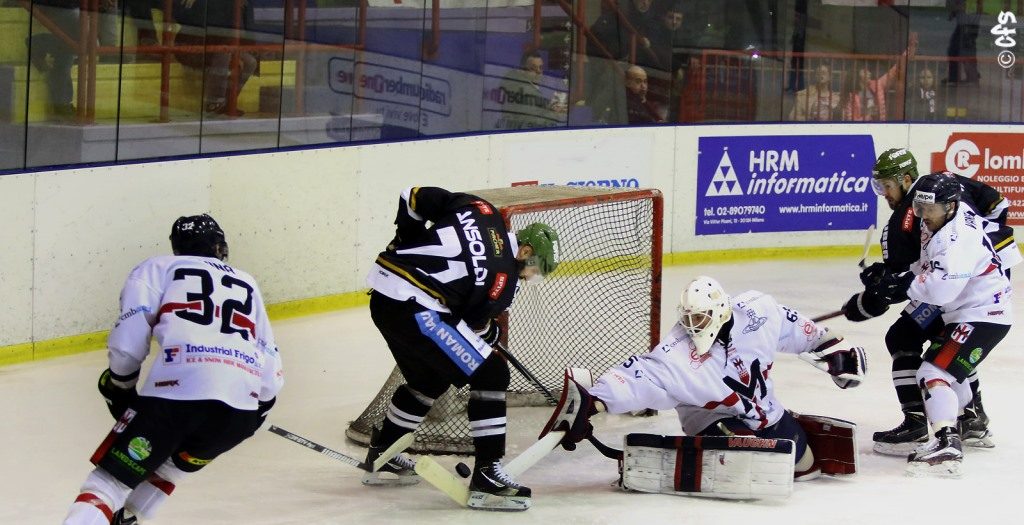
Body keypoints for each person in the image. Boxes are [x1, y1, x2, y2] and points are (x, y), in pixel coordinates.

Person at [62, 214, 284, 524]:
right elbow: (271, 370)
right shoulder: (246, 281)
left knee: (108, 484)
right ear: (220, 246)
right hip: (238, 413)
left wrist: (121, 386)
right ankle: (129, 519)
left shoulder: (157, 268)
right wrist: (255, 413)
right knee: (168, 470)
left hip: (174, 400)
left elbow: (128, 343)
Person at [542, 276, 867, 481]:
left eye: (699, 318)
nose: (693, 326)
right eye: (687, 318)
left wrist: (833, 349)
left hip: (766, 413)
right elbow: (637, 377)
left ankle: (782, 427)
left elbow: (802, 332)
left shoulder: (759, 311)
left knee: (804, 467)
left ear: (721, 312)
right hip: (714, 419)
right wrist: (592, 403)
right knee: (750, 454)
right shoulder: (675, 354)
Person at [363, 187, 559, 510]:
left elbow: (412, 197)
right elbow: (473, 328)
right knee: (493, 373)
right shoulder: (505, 280)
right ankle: (487, 473)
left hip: (384, 296)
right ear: (524, 251)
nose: (532, 276)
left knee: (430, 379)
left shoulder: (483, 210)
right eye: (536, 268)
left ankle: (385, 450)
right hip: (417, 308)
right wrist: (491, 333)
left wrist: (406, 241)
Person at [842, 148, 1014, 456]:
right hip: (975, 280)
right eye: (877, 187)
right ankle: (969, 418)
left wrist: (872, 299)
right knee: (923, 340)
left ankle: (921, 421)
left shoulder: (926, 228)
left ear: (906, 179)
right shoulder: (945, 189)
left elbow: (923, 287)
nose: (883, 194)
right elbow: (997, 204)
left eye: (886, 186)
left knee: (922, 344)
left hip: (968, 290)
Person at [173, 0, 258, 116]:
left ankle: (229, 102)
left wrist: (240, 49)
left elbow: (244, 33)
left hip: (221, 45)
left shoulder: (240, 5)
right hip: (192, 45)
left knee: (250, 62)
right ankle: (214, 102)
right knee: (224, 52)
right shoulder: (216, 4)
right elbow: (184, 19)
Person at [840, 32, 918, 121]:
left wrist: (910, 48)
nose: (869, 73)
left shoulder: (877, 85)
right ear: (857, 75)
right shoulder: (851, 97)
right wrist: (868, 117)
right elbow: (850, 122)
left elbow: (895, 70)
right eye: (864, 71)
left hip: (879, 128)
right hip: (862, 132)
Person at [494, 50, 567, 130]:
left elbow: (531, 113)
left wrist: (549, 108)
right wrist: (555, 114)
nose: (539, 72)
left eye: (541, 67)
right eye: (533, 68)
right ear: (522, 70)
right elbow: (532, 123)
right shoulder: (522, 89)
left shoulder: (517, 82)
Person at [945, 0, 981, 85]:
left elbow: (964, 6)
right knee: (960, 49)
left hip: (967, 23)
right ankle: (959, 77)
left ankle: (968, 77)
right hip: (966, 23)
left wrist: (955, 10)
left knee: (963, 50)